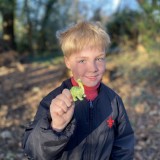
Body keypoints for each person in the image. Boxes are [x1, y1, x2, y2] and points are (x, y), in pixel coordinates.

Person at [22, 21, 134, 160]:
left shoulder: (114, 101)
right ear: (68, 62)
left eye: (99, 58)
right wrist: (56, 127)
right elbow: (34, 151)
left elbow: (123, 145)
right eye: (82, 61)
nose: (93, 68)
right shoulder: (53, 102)